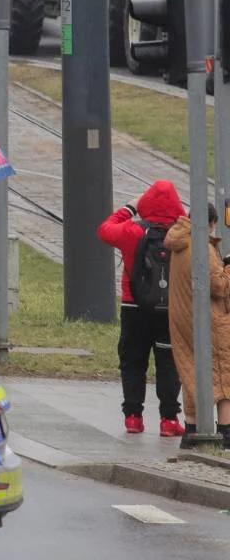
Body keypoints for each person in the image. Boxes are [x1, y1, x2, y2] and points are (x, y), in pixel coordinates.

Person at [98, 180, 186, 436]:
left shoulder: (133, 232)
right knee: (169, 362)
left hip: (133, 305)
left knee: (133, 360)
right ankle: (169, 420)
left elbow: (105, 230)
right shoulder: (181, 236)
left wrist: (130, 207)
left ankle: (133, 417)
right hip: (171, 308)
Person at [164, 204, 230, 441]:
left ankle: (191, 432)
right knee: (225, 378)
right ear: (211, 223)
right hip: (209, 321)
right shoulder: (202, 247)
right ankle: (226, 432)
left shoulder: (179, 242)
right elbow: (218, 287)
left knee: (193, 374)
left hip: (182, 319)